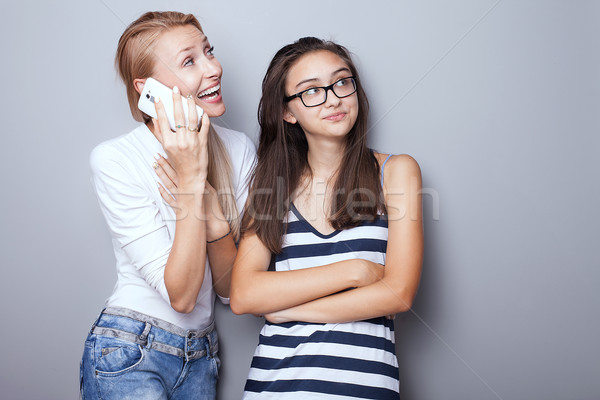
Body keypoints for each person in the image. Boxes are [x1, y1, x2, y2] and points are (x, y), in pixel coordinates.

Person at [229, 37, 423, 399]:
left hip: (363, 388)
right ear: (288, 112)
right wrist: (355, 271)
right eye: (311, 91)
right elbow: (243, 294)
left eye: (341, 82)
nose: (333, 98)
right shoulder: (272, 187)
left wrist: (288, 310)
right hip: (274, 386)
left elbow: (398, 293)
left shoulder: (396, 172)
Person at [80, 11, 255, 400]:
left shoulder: (240, 149)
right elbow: (182, 295)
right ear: (148, 89)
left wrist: (214, 220)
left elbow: (232, 290)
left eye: (208, 51)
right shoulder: (114, 159)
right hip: (129, 350)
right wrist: (192, 181)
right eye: (190, 60)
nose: (214, 68)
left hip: (202, 356)